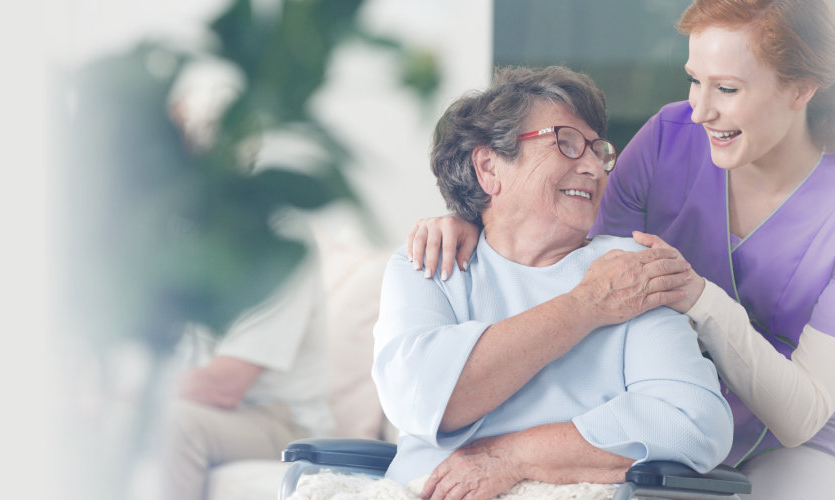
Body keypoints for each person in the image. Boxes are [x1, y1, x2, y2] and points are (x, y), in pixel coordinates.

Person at [402, 1, 835, 498]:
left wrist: (697, 297)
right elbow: (574, 254)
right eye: (695, 79)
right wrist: (473, 217)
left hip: (802, 441)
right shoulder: (670, 138)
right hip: (665, 418)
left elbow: (802, 416)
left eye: (727, 88)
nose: (700, 109)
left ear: (800, 89)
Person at [373, 65, 734, 500]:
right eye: (566, 143)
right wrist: (585, 306)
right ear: (489, 167)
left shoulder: (628, 270)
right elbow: (423, 397)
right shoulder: (431, 262)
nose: (594, 169)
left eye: (598, 151)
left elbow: (694, 422)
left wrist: (514, 457)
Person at [160, 257, 336, 500]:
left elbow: (223, 386)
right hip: (229, 414)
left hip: (287, 423)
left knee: (175, 423)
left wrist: (129, 393)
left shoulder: (278, 253)